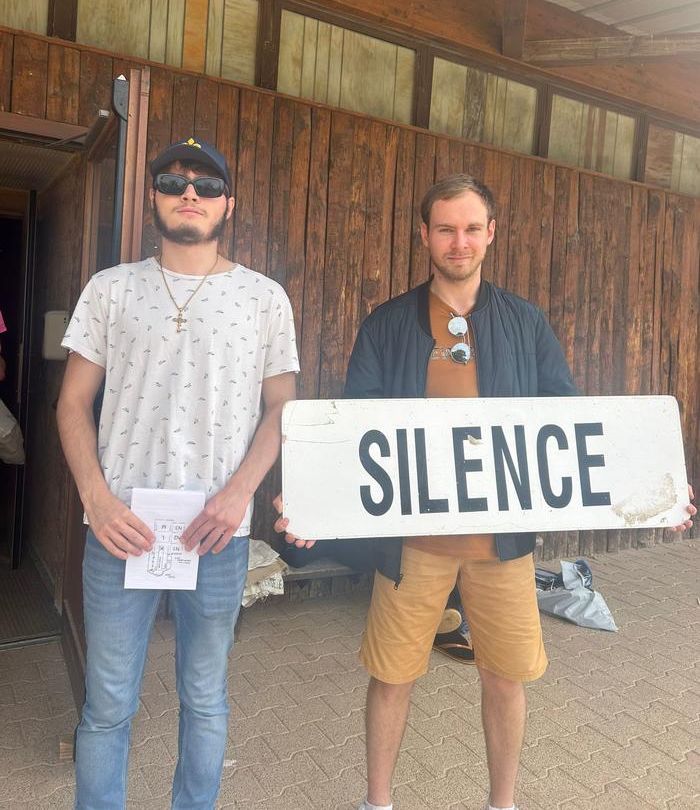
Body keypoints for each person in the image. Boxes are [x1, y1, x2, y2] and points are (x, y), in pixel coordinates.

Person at [276, 171, 695, 810]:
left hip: (502, 542)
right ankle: (378, 802)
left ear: (491, 233)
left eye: (472, 228)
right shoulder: (388, 324)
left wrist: (650, 490)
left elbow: (571, 420)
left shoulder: (524, 323)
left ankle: (503, 804)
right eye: (445, 228)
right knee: (391, 676)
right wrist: (314, 501)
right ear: (425, 235)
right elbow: (351, 426)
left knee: (505, 678)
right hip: (410, 542)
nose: (459, 241)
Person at [57, 137, 299, 810]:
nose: (188, 191)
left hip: (215, 532)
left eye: (206, 182)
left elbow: (282, 406)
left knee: (204, 695)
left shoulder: (264, 298)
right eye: (172, 179)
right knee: (107, 703)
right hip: (120, 530)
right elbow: (72, 402)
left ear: (229, 202)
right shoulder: (110, 289)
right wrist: (96, 499)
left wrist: (240, 492)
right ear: (154, 197)